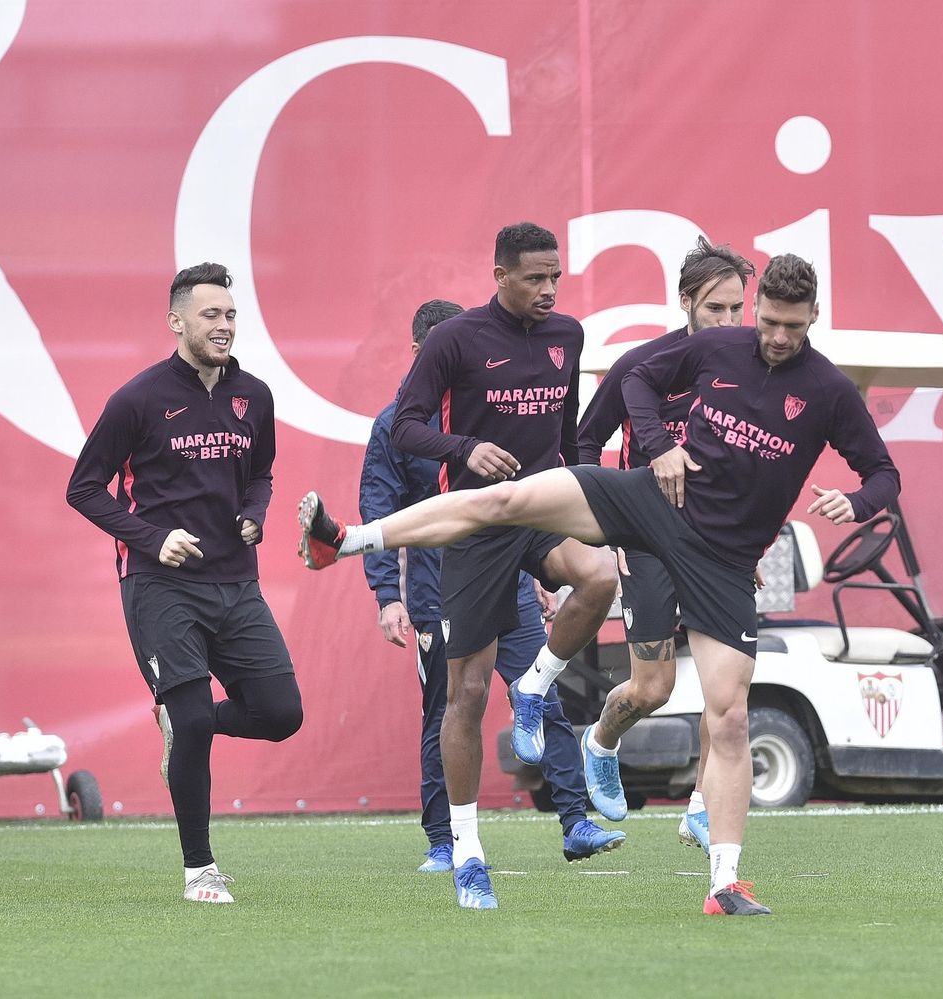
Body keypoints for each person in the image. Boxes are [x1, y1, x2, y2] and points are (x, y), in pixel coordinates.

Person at [299, 254, 900, 916]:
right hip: (650, 505)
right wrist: (659, 443)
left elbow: (883, 474)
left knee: (727, 718)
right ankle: (347, 539)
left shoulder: (830, 391)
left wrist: (857, 501)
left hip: (725, 560)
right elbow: (637, 379)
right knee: (502, 500)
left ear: (814, 316)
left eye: (791, 324)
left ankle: (724, 882)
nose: (776, 336)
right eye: (767, 320)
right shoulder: (718, 348)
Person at [378, 222, 617, 910]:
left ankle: (536, 688)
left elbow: (568, 429)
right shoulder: (455, 340)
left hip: (543, 502)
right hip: (478, 523)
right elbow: (406, 425)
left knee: (601, 576)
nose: (547, 290)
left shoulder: (567, 336)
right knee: (469, 695)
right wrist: (465, 448)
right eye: (534, 278)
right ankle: (468, 852)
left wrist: (582, 487)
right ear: (499, 275)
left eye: (555, 277)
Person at [66, 262, 301, 905]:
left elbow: (262, 475)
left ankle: (184, 723)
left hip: (237, 583)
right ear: (176, 323)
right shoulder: (136, 400)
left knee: (282, 715)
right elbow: (83, 489)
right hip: (159, 584)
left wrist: (254, 515)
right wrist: (151, 537)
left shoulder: (255, 394)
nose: (223, 326)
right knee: (194, 717)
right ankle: (201, 868)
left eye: (230, 315)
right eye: (210, 316)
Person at [573, 238, 755, 851]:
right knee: (654, 688)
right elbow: (583, 444)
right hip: (647, 538)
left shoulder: (755, 371)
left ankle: (703, 805)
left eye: (737, 310)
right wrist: (605, 530)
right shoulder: (643, 365)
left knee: (724, 691)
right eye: (715, 310)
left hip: (717, 544)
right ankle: (600, 742)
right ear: (685, 304)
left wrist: (747, 546)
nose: (729, 324)